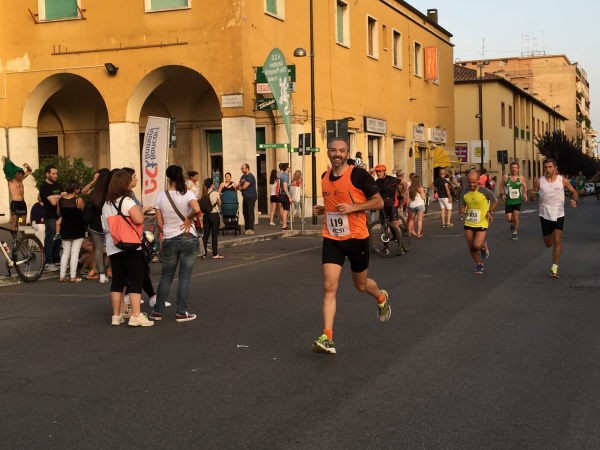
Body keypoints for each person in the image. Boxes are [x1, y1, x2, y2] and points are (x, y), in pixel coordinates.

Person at [311, 137, 390, 355]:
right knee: (329, 286)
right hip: (333, 238)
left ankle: (381, 297)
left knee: (361, 285)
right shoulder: (324, 177)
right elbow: (334, 205)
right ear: (328, 152)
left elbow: (379, 202)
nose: (337, 153)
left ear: (347, 153)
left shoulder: (358, 175)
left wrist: (355, 207)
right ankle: (327, 336)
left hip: (356, 238)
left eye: (342, 150)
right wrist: (323, 210)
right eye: (333, 150)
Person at [102, 169, 154, 327]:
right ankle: (136, 315)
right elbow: (138, 219)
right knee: (135, 279)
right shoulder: (127, 201)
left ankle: (116, 315)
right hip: (131, 245)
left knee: (118, 281)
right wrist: (141, 210)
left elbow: (105, 225)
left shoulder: (107, 204)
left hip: (114, 245)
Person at [150, 165, 201, 322]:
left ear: (168, 178)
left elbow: (159, 222)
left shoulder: (161, 197)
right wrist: (189, 218)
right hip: (187, 237)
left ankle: (157, 311)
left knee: (166, 276)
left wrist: (165, 232)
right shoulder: (188, 194)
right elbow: (197, 209)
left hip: (169, 239)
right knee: (184, 276)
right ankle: (181, 311)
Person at [533, 158, 579, 278]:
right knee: (548, 243)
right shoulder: (539, 181)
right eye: (545, 167)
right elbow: (534, 194)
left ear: (555, 168)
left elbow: (574, 192)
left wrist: (574, 200)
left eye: (550, 167)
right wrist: (532, 195)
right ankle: (552, 236)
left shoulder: (562, 180)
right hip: (544, 214)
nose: (547, 169)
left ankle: (554, 267)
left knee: (558, 239)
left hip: (558, 214)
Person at [459, 170, 498, 275]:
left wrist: (489, 211)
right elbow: (461, 206)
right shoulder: (464, 192)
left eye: (474, 182)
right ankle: (479, 264)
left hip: (482, 222)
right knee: (471, 246)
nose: (472, 184)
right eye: (470, 182)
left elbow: (495, 201)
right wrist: (461, 210)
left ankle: (483, 246)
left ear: (478, 181)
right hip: (469, 222)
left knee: (477, 245)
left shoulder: (485, 191)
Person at [57, 180, 86, 282]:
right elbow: (84, 212)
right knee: (75, 253)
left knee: (65, 252)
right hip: (78, 228)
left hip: (65, 228)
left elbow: (59, 213)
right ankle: (73, 276)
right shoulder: (79, 200)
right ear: (75, 189)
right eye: (78, 188)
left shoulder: (60, 200)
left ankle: (62, 276)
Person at [86, 170, 111, 283]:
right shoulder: (110, 194)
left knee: (98, 249)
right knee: (111, 248)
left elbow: (88, 210)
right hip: (108, 224)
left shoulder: (93, 193)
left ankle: (101, 274)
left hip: (94, 225)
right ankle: (110, 269)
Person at [39, 164, 64, 272]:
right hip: (49, 216)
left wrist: (57, 196)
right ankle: (48, 262)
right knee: (50, 238)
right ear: (47, 174)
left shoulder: (58, 184)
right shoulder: (44, 186)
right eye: (53, 173)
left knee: (58, 238)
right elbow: (53, 202)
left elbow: (65, 194)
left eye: (56, 173)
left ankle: (56, 260)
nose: (56, 175)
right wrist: (60, 196)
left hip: (59, 215)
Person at [2, 156, 32, 230]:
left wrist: (28, 166)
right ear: (16, 174)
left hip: (22, 204)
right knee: (14, 223)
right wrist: (4, 162)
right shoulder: (11, 181)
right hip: (15, 204)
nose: (21, 176)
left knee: (22, 222)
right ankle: (14, 240)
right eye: (20, 174)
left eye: (22, 175)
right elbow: (5, 170)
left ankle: (23, 239)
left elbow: (29, 171)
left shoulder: (20, 180)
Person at [501, 161, 528, 240]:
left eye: (515, 168)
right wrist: (502, 194)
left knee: (515, 217)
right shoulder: (506, 177)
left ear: (518, 169)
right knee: (509, 218)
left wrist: (524, 194)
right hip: (508, 201)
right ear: (510, 169)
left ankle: (515, 232)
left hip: (517, 200)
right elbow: (501, 186)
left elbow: (525, 187)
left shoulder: (521, 178)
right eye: (512, 168)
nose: (514, 169)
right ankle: (513, 223)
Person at [200, 177, 222, 259]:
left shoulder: (203, 194)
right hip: (214, 215)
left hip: (205, 215)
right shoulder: (215, 193)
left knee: (205, 235)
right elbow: (219, 203)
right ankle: (215, 254)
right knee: (214, 235)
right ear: (212, 185)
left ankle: (204, 253)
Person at [374, 164, 401, 231]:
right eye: (377, 172)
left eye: (380, 171)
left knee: (394, 224)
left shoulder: (391, 179)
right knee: (384, 225)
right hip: (383, 205)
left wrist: (401, 195)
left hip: (392, 204)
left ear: (384, 172)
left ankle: (399, 238)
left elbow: (405, 184)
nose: (378, 173)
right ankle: (386, 239)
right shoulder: (377, 182)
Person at [237, 163, 257, 235]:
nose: (241, 170)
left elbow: (244, 187)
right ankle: (247, 228)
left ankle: (251, 229)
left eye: (243, 168)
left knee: (250, 212)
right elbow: (238, 185)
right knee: (245, 213)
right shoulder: (243, 176)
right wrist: (240, 187)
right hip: (245, 197)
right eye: (241, 168)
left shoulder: (250, 176)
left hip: (251, 197)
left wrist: (240, 187)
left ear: (247, 168)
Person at [279, 162, 292, 230]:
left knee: (284, 210)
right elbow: (285, 188)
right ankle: (284, 225)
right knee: (285, 210)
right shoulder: (285, 176)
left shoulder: (283, 175)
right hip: (284, 195)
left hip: (282, 194)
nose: (290, 168)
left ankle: (284, 224)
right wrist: (289, 197)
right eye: (289, 167)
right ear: (287, 168)